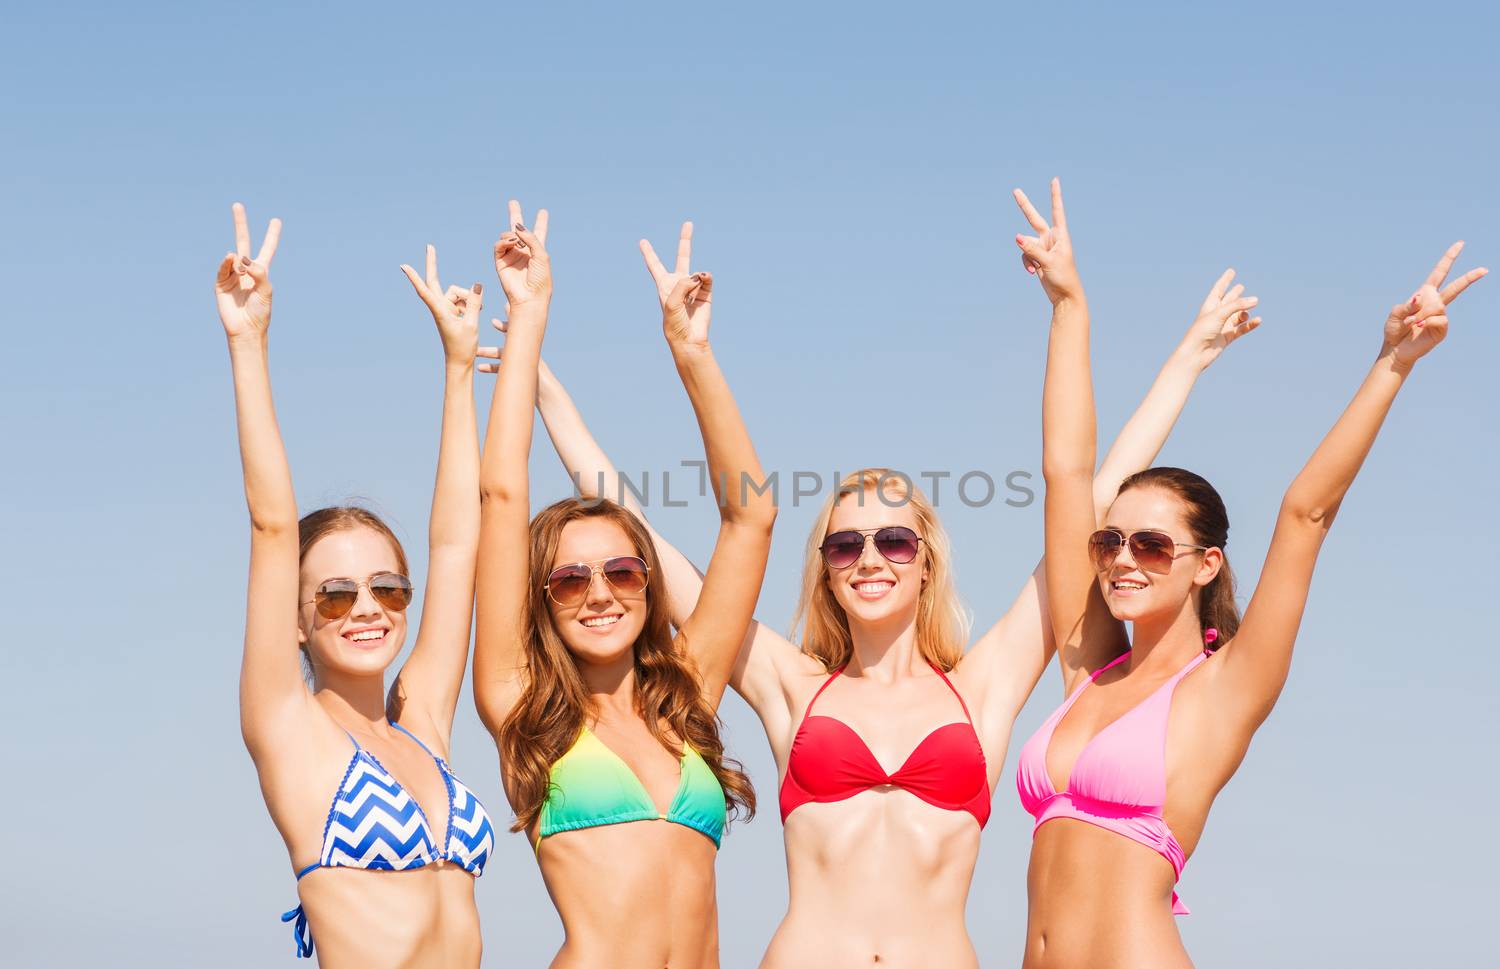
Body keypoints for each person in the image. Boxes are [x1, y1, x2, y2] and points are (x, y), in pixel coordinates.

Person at [532, 192, 1261, 967]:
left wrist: (1171, 354)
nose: (870, 558)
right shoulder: (791, 684)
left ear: (927, 560)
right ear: (826, 571)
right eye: (845, 545)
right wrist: (540, 384)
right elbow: (638, 536)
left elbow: (1085, 490)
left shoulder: (981, 689)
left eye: (892, 540)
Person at [1015, 177, 1486, 968]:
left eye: (1153, 545)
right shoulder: (1086, 667)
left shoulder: (1226, 685)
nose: (1124, 558)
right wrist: (1068, 306)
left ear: (1206, 564)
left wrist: (1391, 363)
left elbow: (1306, 512)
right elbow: (1067, 473)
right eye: (1112, 543)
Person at [471, 206, 776, 968]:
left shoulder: (687, 693)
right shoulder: (522, 708)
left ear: (647, 586)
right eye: (570, 577)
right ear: (543, 596)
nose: (599, 592)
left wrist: (692, 353)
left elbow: (751, 516)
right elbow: (502, 497)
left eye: (622, 570)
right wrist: (530, 313)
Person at [221, 204, 494, 965]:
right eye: (335, 594)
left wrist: (459, 367)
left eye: (388, 589)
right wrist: (249, 342)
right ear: (298, 620)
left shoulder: (422, 720)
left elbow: (456, 539)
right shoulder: (289, 728)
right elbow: (273, 524)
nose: (366, 607)